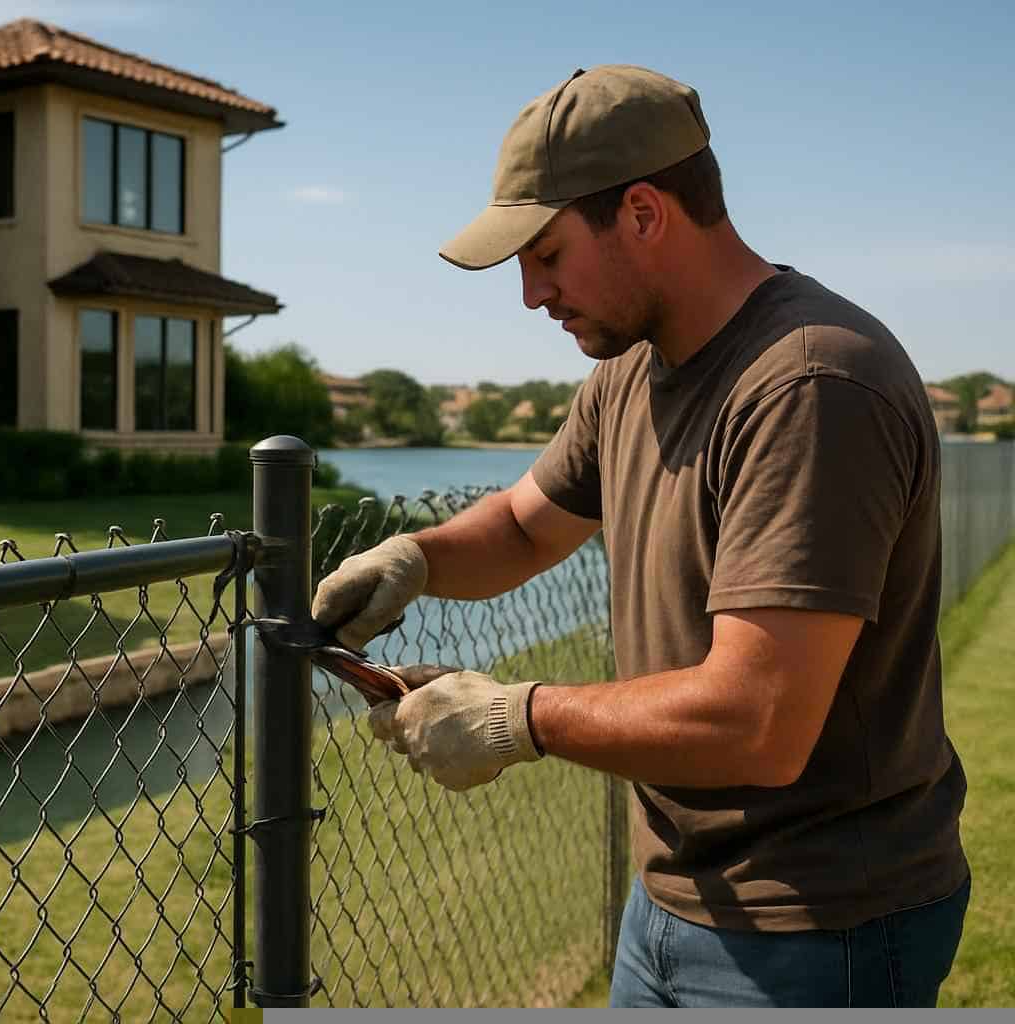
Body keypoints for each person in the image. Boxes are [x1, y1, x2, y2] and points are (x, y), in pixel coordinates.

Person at [311, 65, 969, 1008]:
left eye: (546, 254)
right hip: (668, 901)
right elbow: (524, 525)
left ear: (645, 214)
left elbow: (760, 722)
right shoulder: (629, 371)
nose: (532, 294)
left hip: (821, 926)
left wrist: (517, 718)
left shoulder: (810, 387)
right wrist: (414, 559)